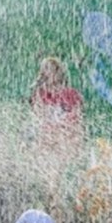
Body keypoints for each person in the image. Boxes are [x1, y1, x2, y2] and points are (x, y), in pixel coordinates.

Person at [30, 56, 84, 210]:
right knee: (50, 177)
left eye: (51, 70)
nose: (48, 74)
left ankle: (56, 206)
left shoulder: (71, 94)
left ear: (58, 72)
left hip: (65, 142)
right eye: (45, 70)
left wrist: (77, 140)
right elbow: (37, 119)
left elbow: (78, 120)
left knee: (56, 176)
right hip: (46, 142)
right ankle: (53, 206)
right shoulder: (40, 94)